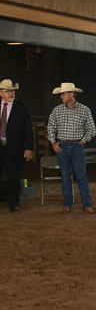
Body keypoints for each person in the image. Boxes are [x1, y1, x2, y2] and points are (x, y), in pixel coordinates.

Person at [47, 82, 96, 213]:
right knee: (65, 176)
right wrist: (53, 143)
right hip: (62, 146)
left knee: (81, 176)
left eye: (63, 94)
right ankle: (68, 203)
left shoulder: (84, 110)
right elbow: (50, 127)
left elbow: (91, 129)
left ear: (71, 94)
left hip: (76, 146)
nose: (61, 96)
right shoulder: (57, 110)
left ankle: (86, 204)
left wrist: (82, 141)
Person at [0, 78, 33, 212]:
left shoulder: (22, 108)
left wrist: (29, 147)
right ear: (1, 92)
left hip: (15, 147)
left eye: (12, 91)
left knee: (13, 176)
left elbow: (28, 129)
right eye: (8, 91)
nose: (11, 93)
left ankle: (13, 203)